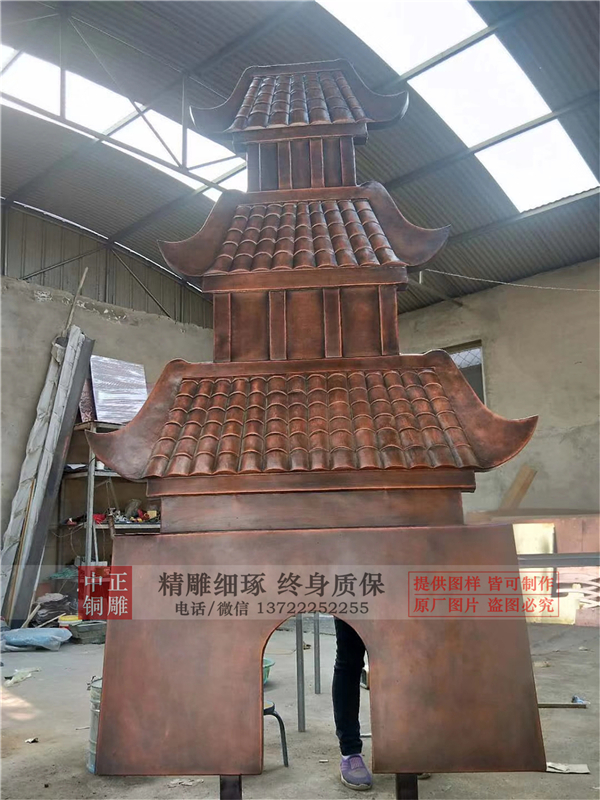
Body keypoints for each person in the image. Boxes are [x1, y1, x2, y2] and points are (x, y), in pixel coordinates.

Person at [332, 618, 372, 791]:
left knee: (398, 659)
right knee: (349, 658)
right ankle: (350, 751)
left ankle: (402, 745)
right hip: (353, 601)